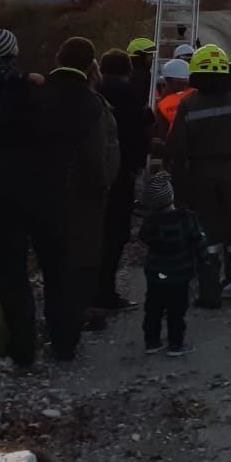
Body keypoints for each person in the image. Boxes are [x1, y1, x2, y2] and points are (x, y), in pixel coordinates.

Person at [37, 37, 120, 358]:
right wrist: (104, 185)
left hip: (38, 193)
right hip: (82, 198)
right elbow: (99, 157)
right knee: (78, 262)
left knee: (50, 262)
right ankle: (67, 334)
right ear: (91, 66)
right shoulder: (92, 105)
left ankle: (48, 326)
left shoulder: (37, 94)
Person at [166, 44, 231, 309]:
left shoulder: (188, 103)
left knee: (207, 233)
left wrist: (182, 185)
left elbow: (176, 147)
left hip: (200, 173)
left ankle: (209, 294)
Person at [0, 28, 53, 366]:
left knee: (10, 272)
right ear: (11, 55)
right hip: (33, 191)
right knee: (54, 262)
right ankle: (56, 335)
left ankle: (21, 346)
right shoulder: (28, 92)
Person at [96, 48, 150, 312]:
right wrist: (136, 166)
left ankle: (86, 294)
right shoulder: (130, 96)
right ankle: (105, 292)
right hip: (121, 176)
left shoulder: (92, 91)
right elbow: (138, 135)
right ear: (127, 71)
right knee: (115, 234)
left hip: (89, 178)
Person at [137, 172, 202, 357]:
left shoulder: (150, 224)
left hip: (156, 273)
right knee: (177, 310)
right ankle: (176, 343)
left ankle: (152, 341)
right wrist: (202, 260)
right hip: (180, 272)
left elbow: (144, 238)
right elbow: (198, 240)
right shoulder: (187, 218)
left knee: (153, 308)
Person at [127, 37, 156, 106]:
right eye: (150, 55)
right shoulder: (142, 77)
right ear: (140, 57)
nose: (152, 58)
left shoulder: (126, 74)